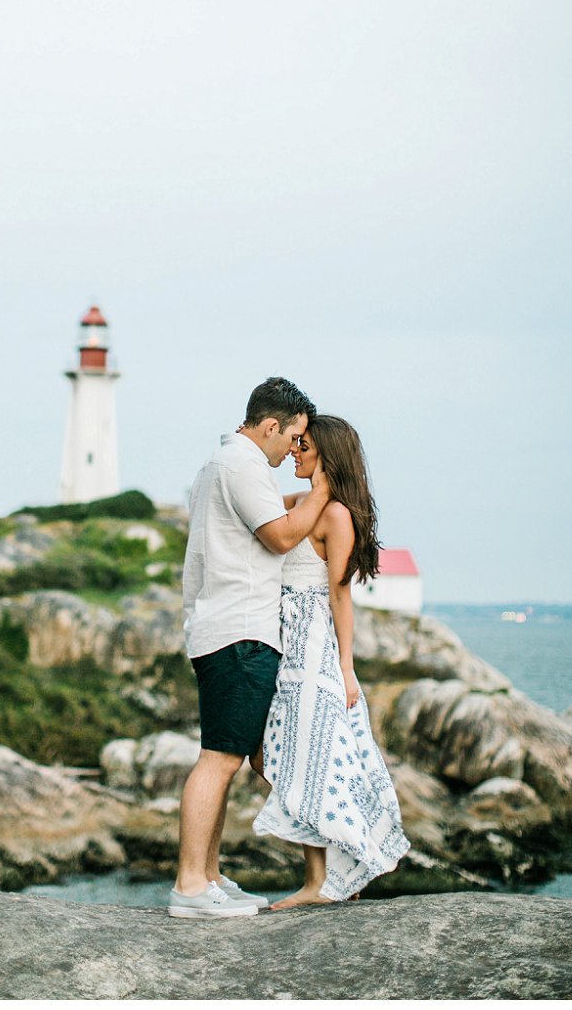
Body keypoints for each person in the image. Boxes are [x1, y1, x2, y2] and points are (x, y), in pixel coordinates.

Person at [168, 377, 332, 919]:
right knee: (218, 760)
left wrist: (307, 497)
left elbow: (273, 513)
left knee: (228, 757)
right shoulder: (241, 465)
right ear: (270, 426)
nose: (293, 451)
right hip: (239, 633)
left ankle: (208, 877)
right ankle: (191, 887)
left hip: (226, 630)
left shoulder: (228, 466)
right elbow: (282, 536)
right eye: (293, 438)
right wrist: (325, 491)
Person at [252, 413, 410, 906]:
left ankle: (321, 882)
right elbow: (253, 515)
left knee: (305, 759)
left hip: (314, 650)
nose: (295, 452)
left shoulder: (336, 515)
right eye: (295, 444)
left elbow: (340, 596)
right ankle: (328, 877)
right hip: (285, 645)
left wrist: (345, 670)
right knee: (275, 756)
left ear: (328, 456)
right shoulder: (302, 502)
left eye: (304, 447)